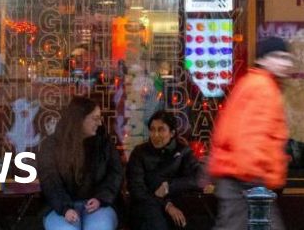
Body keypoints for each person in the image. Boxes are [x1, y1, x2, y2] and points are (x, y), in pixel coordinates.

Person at [208, 35, 293, 230]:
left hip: (239, 177)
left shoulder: (254, 84)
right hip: (246, 181)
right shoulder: (263, 88)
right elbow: (250, 137)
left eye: (287, 57)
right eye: (279, 57)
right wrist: (258, 178)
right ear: (263, 60)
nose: (286, 63)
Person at [37, 96, 122, 230]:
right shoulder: (51, 145)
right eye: (95, 118)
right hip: (59, 208)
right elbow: (50, 181)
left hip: (99, 206)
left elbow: (115, 174)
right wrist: (65, 208)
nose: (100, 123)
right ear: (79, 119)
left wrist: (101, 198)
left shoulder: (104, 143)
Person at [127, 111, 204, 229]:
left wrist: (169, 186)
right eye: (152, 130)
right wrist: (166, 205)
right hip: (147, 206)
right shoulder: (139, 153)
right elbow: (137, 190)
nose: (155, 135)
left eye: (161, 130)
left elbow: (200, 178)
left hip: (178, 203)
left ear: (172, 133)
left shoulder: (183, 151)